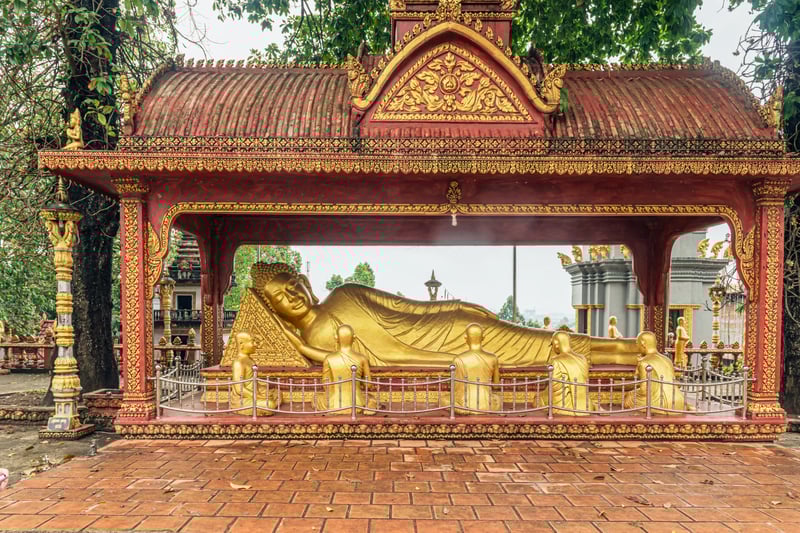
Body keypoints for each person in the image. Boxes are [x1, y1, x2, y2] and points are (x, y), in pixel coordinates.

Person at [245, 262, 644, 368]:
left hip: (446, 327)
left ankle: (634, 352)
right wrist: (305, 349)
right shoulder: (315, 340)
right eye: (281, 296)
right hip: (439, 357)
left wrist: (455, 306)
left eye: (294, 285)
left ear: (306, 283)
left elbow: (408, 307)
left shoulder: (345, 292)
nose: (293, 296)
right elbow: (360, 363)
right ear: (273, 308)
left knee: (541, 340)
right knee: (544, 350)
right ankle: (632, 356)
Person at [624, 331, 690, 414]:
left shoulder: (644, 363)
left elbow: (644, 391)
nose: (636, 346)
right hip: (678, 401)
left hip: (662, 404)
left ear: (643, 343)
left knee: (628, 397)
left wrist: (631, 392)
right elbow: (675, 383)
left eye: (637, 343)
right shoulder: (667, 359)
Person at [316, 324, 374, 414]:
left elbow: (326, 384)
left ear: (336, 338)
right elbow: (368, 385)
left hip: (335, 404)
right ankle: (370, 406)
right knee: (371, 398)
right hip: (357, 404)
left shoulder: (329, 358)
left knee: (317, 398)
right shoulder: (362, 358)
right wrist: (359, 382)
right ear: (354, 338)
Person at [451, 323, 501, 413]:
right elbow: (496, 386)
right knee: (497, 399)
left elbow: (455, 387)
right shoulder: (493, 358)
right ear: (483, 337)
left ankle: (463, 410)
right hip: (488, 404)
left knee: (443, 400)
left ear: (465, 337)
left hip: (465, 402)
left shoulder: (458, 359)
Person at [229, 332, 279, 415]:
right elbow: (239, 389)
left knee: (277, 394)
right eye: (252, 342)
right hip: (243, 399)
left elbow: (253, 381)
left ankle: (265, 404)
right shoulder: (238, 362)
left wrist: (265, 388)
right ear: (241, 344)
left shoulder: (250, 360)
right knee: (270, 405)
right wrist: (259, 396)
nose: (256, 345)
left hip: (255, 392)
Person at [548, 331, 595, 415]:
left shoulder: (556, 360)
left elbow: (554, 387)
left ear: (556, 344)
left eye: (552, 344)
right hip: (586, 404)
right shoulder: (583, 358)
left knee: (538, 400)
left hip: (565, 405)